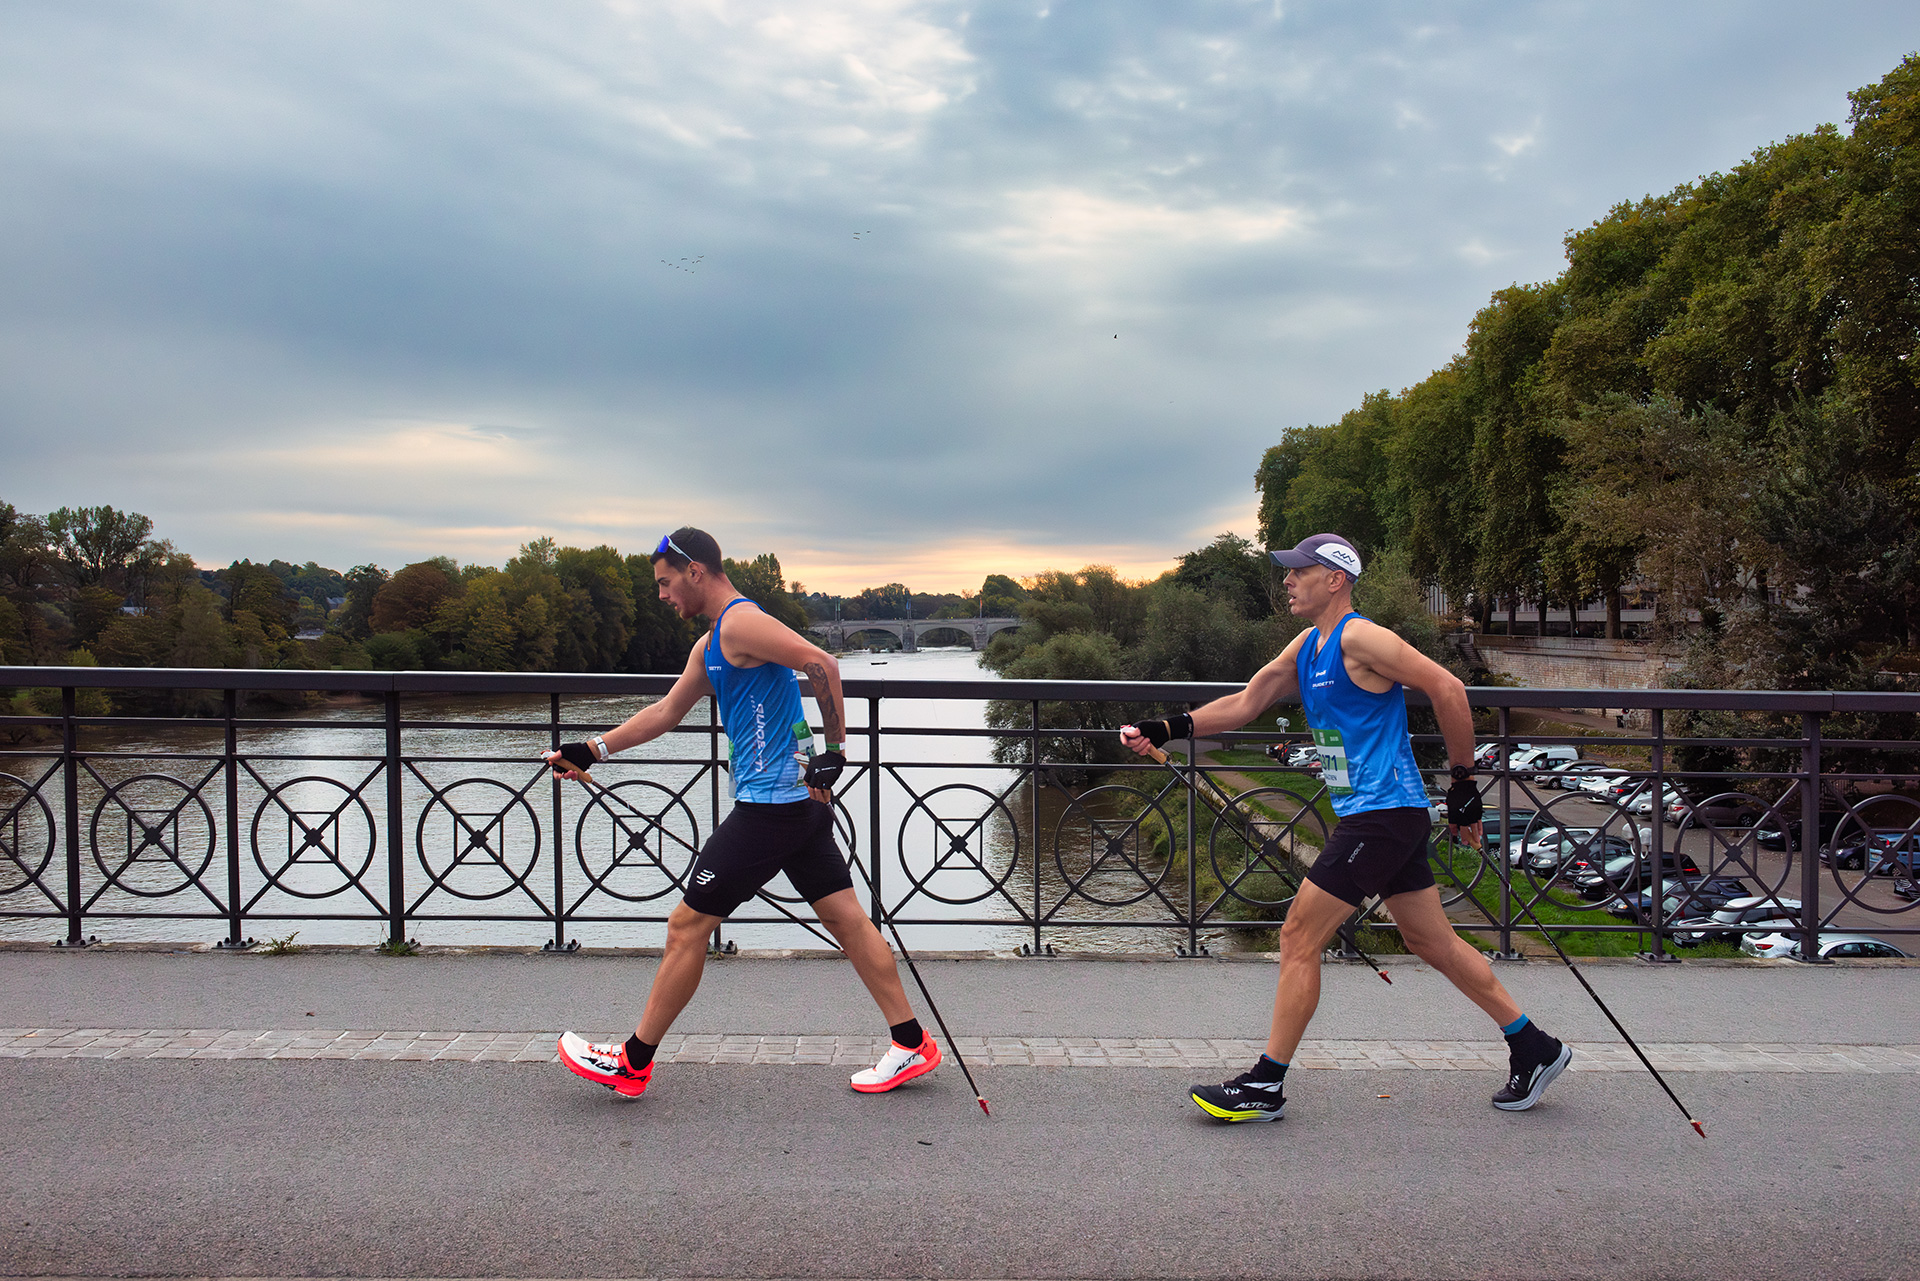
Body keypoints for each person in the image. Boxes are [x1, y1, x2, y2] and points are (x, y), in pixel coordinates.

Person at [1121, 532, 1571, 1122]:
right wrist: (1165, 727)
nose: (1287, 580)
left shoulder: (1361, 637)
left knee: (1297, 936)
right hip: (1375, 814)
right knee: (1431, 941)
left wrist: (1464, 786)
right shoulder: (1309, 646)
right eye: (1287, 571)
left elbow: (1448, 687)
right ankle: (1534, 1047)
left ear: (1335, 578)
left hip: (1382, 815)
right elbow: (1247, 702)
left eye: (1298, 571)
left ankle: (1265, 1084)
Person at [545, 527, 940, 1100]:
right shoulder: (710, 646)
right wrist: (593, 750)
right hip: (796, 808)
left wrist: (835, 752)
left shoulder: (739, 622)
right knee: (848, 921)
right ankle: (911, 1043)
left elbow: (822, 663)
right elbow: (667, 711)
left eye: (665, 582)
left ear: (695, 571)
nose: (662, 595)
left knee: (686, 927)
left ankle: (632, 1062)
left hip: (771, 812)